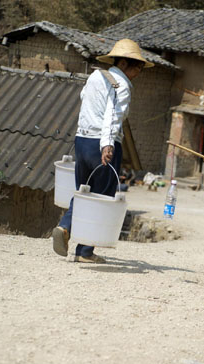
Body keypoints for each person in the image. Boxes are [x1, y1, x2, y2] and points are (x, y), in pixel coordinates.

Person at [52, 39, 153, 263]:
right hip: (103, 144)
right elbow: (113, 115)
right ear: (125, 63)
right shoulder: (122, 85)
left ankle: (65, 228)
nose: (138, 72)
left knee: (83, 191)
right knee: (100, 195)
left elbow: (84, 101)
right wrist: (107, 144)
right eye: (138, 67)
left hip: (83, 140)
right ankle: (85, 251)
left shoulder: (96, 76)